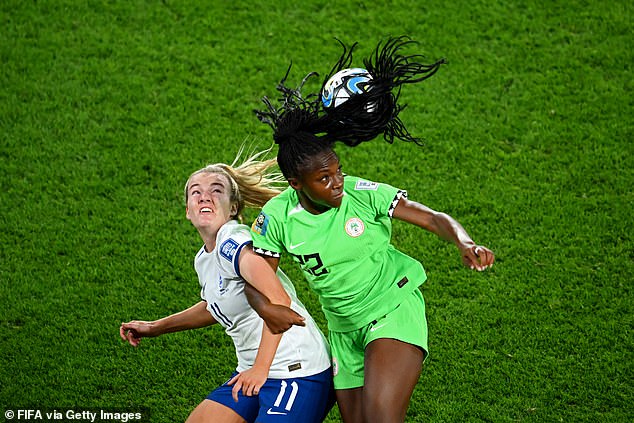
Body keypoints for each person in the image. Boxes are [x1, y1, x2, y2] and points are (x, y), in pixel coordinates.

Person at [249, 36, 495, 423]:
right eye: (324, 178)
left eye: (338, 171)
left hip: (391, 308)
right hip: (343, 331)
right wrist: (266, 307)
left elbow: (431, 217)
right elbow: (255, 275)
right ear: (297, 184)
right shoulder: (277, 218)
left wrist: (464, 240)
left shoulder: (362, 194)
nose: (337, 183)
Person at [120, 153, 334, 423]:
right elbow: (216, 305)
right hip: (253, 371)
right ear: (187, 210)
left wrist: (260, 369)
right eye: (195, 192)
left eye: (216, 190)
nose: (204, 197)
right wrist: (156, 327)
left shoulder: (232, 241)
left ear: (233, 208)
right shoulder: (204, 259)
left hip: (298, 371)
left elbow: (279, 300)